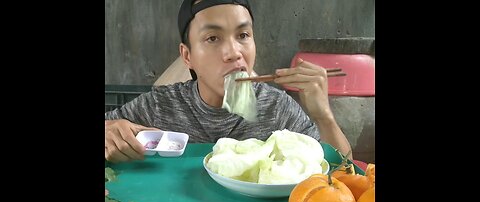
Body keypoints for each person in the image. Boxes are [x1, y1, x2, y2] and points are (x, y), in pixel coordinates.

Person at [105, 0, 352, 163]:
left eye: (243, 35)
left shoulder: (277, 108)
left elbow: (341, 175)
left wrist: (324, 117)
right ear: (187, 56)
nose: (234, 52)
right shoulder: (161, 105)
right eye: (213, 38)